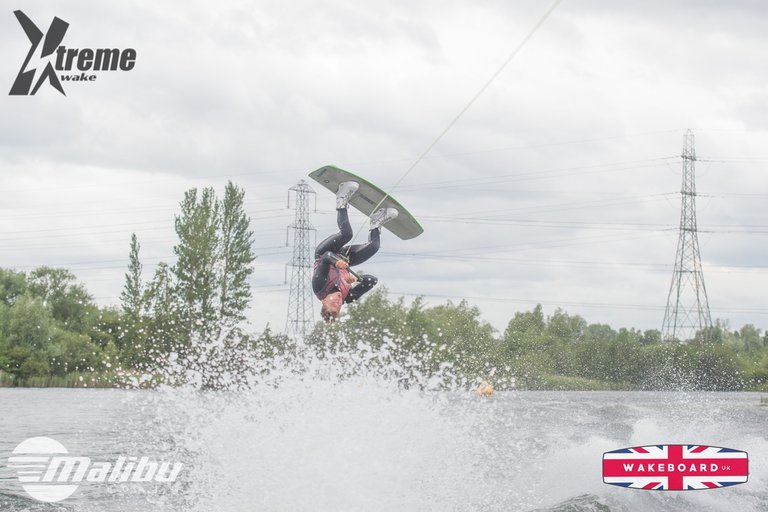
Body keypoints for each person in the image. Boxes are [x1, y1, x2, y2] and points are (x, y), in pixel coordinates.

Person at [312, 181, 398, 322]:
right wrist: (357, 279)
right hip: (346, 258)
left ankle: (341, 200)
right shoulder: (348, 297)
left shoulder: (319, 286)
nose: (338, 302)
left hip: (326, 251)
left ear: (324, 301)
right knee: (374, 247)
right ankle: (376, 222)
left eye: (333, 303)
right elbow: (372, 281)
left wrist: (337, 262)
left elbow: (326, 257)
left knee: (347, 234)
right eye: (339, 306)